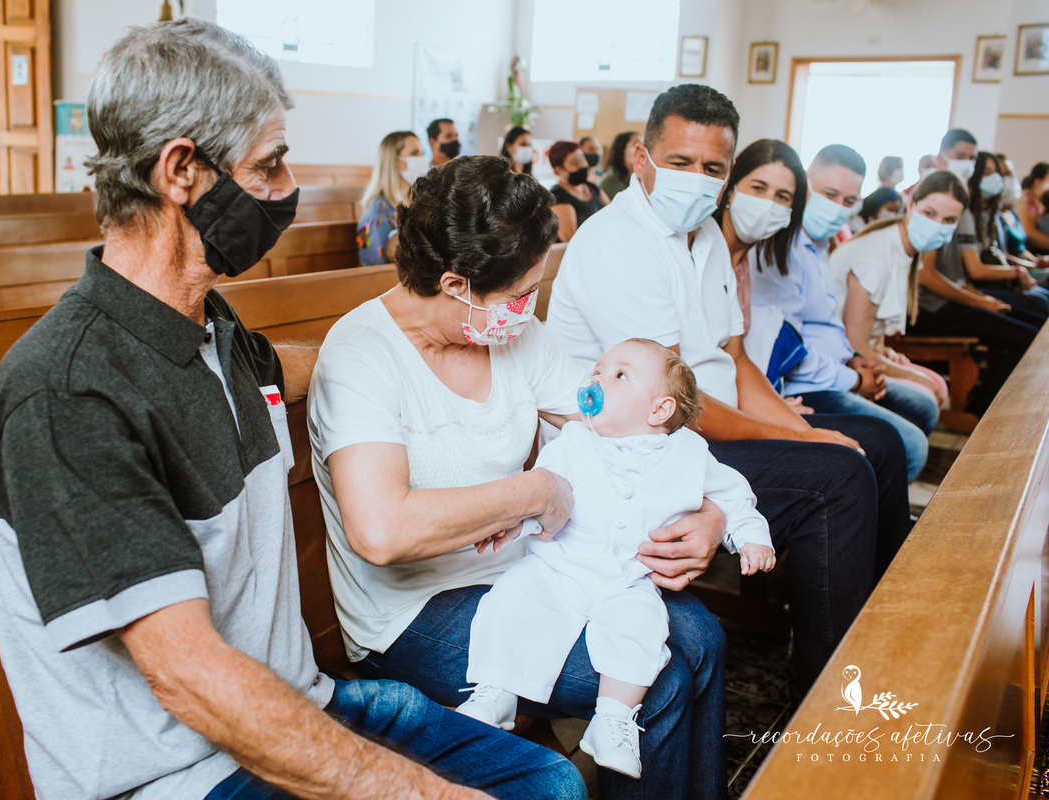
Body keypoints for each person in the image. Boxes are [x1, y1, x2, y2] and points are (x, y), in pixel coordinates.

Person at [0, 19, 584, 800]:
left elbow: (310, 366)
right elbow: (191, 680)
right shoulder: (68, 394)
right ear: (181, 171)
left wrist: (399, 358)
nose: (285, 188)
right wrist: (425, 794)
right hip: (183, 772)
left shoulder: (213, 333)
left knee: (547, 782)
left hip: (300, 701)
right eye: (269, 164)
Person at [308, 155, 729, 800]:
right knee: (663, 674)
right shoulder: (361, 356)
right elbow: (381, 531)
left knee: (703, 634)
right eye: (518, 295)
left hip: (529, 572)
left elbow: (622, 423)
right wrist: (533, 491)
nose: (529, 310)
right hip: (413, 610)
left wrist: (709, 513)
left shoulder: (514, 336)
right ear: (455, 284)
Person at [545, 84, 912, 698]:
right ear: (642, 157)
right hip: (645, 447)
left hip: (704, 431)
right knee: (839, 478)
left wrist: (804, 431)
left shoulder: (706, 237)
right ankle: (826, 694)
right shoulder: (618, 243)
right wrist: (802, 441)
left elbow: (735, 359)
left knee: (876, 444)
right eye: (681, 163)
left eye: (713, 168)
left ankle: (881, 631)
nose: (698, 179)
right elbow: (674, 407)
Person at [456, 340, 773, 781]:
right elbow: (541, 496)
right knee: (513, 599)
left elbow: (732, 494)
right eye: (598, 371)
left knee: (643, 629)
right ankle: (493, 690)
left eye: (619, 375)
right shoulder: (573, 443)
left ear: (659, 410)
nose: (597, 380)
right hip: (558, 568)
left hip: (629, 579)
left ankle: (613, 719)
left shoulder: (688, 454)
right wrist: (517, 524)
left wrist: (751, 536)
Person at [751, 144, 941, 486]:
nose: (838, 208)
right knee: (908, 445)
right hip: (807, 382)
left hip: (837, 367)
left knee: (921, 406)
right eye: (829, 194)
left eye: (849, 201)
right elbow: (787, 350)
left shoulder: (820, 243)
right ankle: (877, 513)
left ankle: (886, 500)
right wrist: (853, 379)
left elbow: (826, 323)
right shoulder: (781, 245)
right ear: (805, 185)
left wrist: (854, 360)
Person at [832, 172, 971, 423]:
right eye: (929, 213)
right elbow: (855, 342)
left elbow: (870, 325)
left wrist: (881, 349)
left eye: (949, 219)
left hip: (857, 351)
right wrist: (917, 378)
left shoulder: (903, 245)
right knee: (926, 397)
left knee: (937, 383)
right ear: (910, 204)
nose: (937, 225)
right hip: (841, 359)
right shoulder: (876, 255)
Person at [910, 169, 1039, 415]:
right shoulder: (925, 226)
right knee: (1028, 339)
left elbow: (956, 278)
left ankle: (993, 400)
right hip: (928, 310)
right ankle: (983, 407)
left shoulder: (952, 221)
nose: (942, 220)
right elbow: (926, 277)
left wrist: (981, 298)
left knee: (1032, 328)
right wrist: (977, 303)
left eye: (950, 218)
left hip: (947, 304)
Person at [711, 138, 802, 331]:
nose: (768, 204)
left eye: (782, 197)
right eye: (759, 188)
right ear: (731, 187)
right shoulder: (698, 249)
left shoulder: (742, 267)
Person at [967, 152, 1049, 319]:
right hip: (990, 282)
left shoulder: (993, 211)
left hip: (1008, 273)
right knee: (1041, 306)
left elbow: (1002, 254)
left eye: (999, 173)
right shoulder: (969, 214)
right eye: (987, 172)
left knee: (1043, 300)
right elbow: (976, 270)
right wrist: (1020, 271)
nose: (999, 178)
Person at [357, 130, 425, 266]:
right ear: (393, 160)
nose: (422, 159)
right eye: (414, 153)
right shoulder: (376, 213)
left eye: (422, 153)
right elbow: (375, 271)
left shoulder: (422, 202)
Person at [548, 140, 608, 242]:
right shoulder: (558, 196)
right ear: (559, 170)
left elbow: (612, 213)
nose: (582, 165)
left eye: (582, 158)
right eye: (575, 162)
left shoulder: (592, 187)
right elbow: (571, 240)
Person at [1016, 162, 1049, 254]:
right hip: (1030, 254)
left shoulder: (1039, 202)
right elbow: (1029, 233)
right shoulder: (1023, 199)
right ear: (1037, 181)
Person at [599, 131, 642, 200]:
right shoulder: (609, 182)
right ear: (621, 151)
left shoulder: (638, 176)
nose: (643, 149)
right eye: (636, 145)